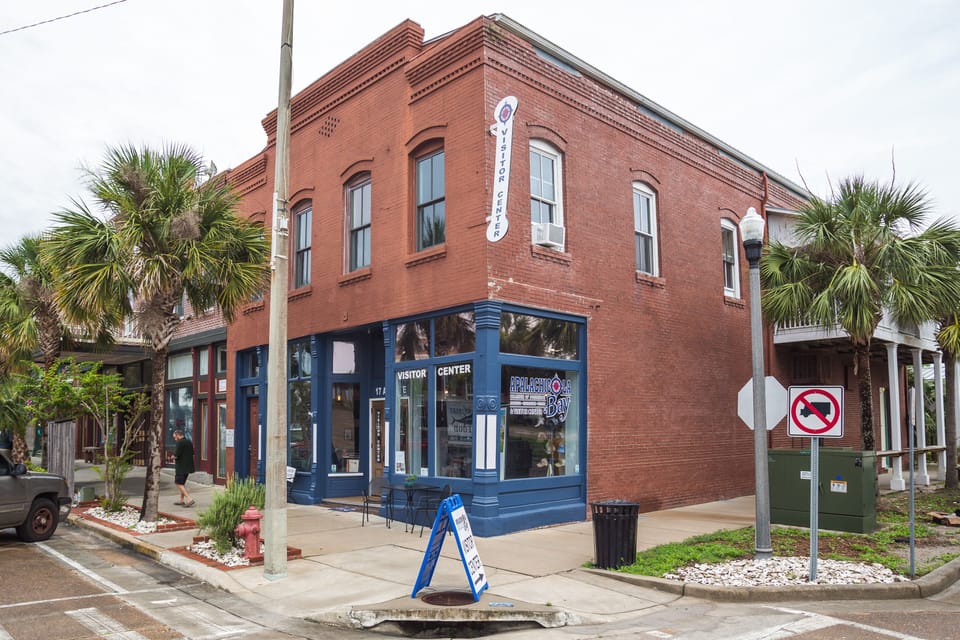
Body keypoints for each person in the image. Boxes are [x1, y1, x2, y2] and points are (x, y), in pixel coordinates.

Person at [171, 429, 196, 507]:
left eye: (175, 437)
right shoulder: (189, 442)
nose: (175, 439)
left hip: (181, 467)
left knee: (178, 483)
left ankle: (189, 499)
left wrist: (172, 457)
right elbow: (192, 454)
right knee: (182, 483)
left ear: (178, 435)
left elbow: (176, 455)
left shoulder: (179, 443)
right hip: (188, 467)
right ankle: (181, 501)